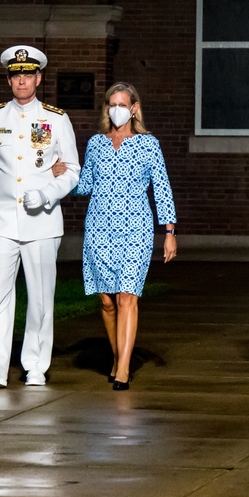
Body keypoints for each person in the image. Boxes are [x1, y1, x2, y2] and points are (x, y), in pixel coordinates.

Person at [0, 45, 80, 387]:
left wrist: (47, 193)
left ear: (39, 78)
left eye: (28, 75)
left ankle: (35, 364)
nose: (22, 80)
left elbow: (73, 169)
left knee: (41, 296)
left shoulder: (56, 119)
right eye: (16, 75)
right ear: (8, 79)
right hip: (2, 217)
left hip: (42, 220)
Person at [75, 82, 176, 390]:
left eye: (122, 103)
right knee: (106, 301)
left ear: (134, 108)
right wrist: (59, 174)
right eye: (111, 104)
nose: (116, 109)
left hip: (136, 229)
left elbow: (161, 188)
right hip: (99, 228)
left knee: (126, 297)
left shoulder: (149, 144)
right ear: (107, 108)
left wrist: (169, 232)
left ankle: (122, 368)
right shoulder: (96, 143)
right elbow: (84, 186)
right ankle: (120, 356)